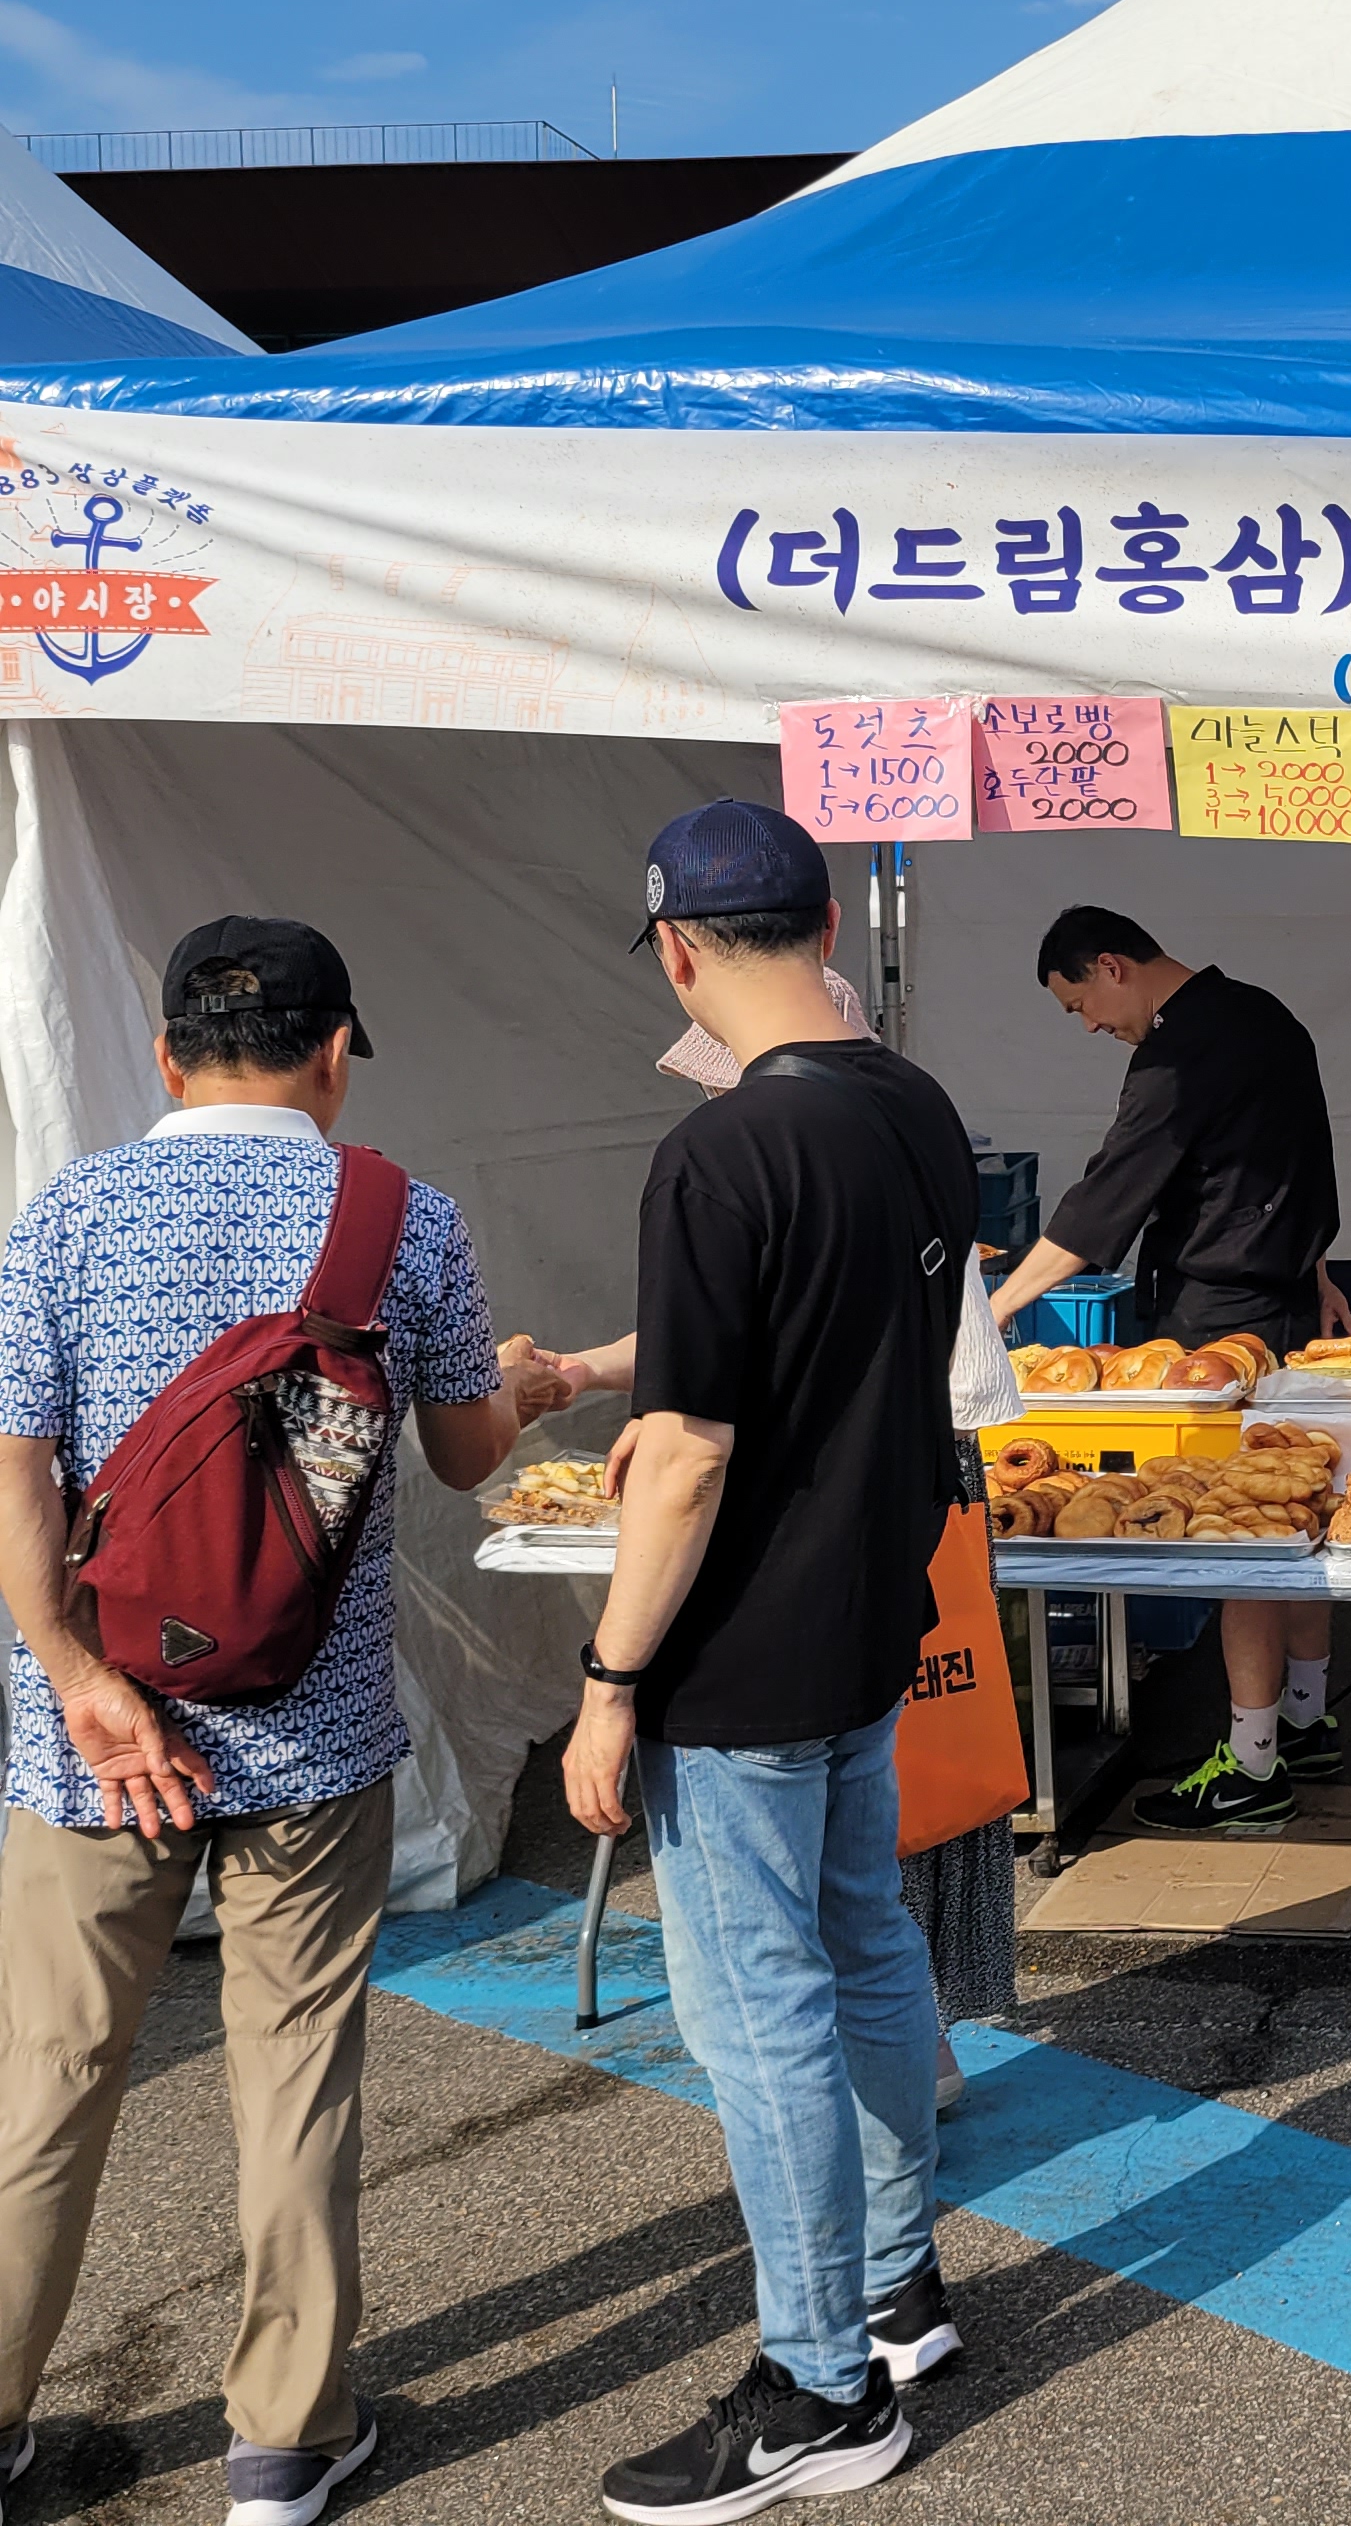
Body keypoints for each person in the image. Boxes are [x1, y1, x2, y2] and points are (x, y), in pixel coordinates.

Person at [0, 918, 550, 2526]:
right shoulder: (402, 1218)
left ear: (167, 1057)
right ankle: (284, 2447)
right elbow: (466, 1456)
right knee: (297, 2070)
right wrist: (523, 1383)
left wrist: (79, 1677)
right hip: (313, 1730)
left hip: (98, 1741)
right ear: (333, 1055)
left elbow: (16, 1472)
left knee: (48, 2076)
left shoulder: (66, 1214)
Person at [560, 802, 977, 2524]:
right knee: (864, 1942)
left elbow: (688, 1455)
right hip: (870, 1611)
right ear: (825, 926)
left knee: (758, 2011)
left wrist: (608, 1680)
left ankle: (817, 2387)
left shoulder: (719, 1149)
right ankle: (896, 2286)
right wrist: (608, 1376)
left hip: (738, 1653)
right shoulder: (914, 1106)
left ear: (675, 951)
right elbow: (800, 1328)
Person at [986, 907, 1347, 1838]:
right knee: (1296, 1511)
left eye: (1079, 1004)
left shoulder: (1175, 1059)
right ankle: (1306, 1721)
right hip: (1288, 1305)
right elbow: (1297, 1168)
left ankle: (1253, 1768)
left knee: (1245, 1539)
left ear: (1111, 965)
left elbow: (1101, 1200)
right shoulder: (1267, 1014)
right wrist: (1316, 1271)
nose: (1089, 1026)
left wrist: (993, 1311)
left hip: (1220, 1319)